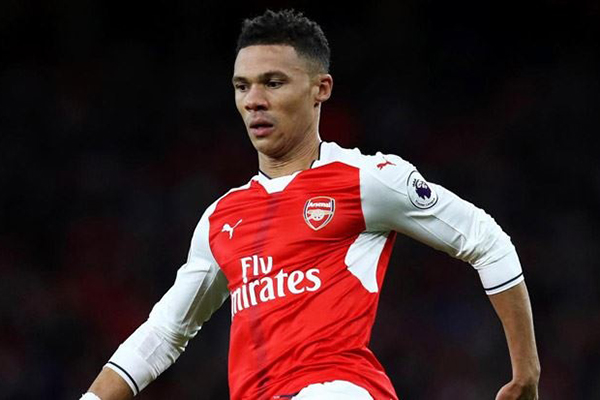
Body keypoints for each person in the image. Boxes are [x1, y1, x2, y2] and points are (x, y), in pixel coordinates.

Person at [81, 8, 540, 400]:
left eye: (273, 83)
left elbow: (486, 240)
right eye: (242, 86)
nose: (254, 101)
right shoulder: (221, 218)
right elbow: (164, 332)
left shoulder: (367, 179)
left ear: (321, 88)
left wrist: (526, 373)